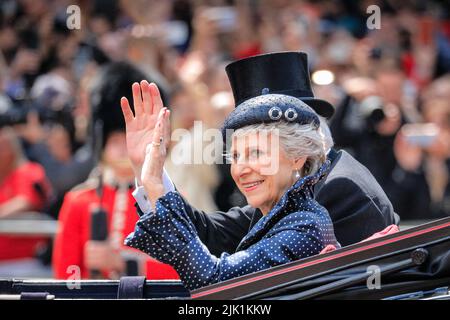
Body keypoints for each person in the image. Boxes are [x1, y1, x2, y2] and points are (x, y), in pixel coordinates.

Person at [122, 52, 341, 290]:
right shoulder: (280, 211)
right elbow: (202, 233)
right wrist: (147, 165)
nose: (241, 169)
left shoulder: (305, 225)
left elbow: (217, 284)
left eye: (256, 153)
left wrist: (154, 184)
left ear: (297, 157)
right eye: (235, 156)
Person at [52, 62, 178, 280]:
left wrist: (123, 263)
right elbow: (66, 276)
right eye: (115, 139)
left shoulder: (165, 199)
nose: (123, 148)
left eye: (127, 138)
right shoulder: (78, 201)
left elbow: (185, 270)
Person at [0, 126, 51, 261]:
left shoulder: (28, 170)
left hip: (26, 263)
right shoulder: (3, 178)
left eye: (3, 147)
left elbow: (26, 201)